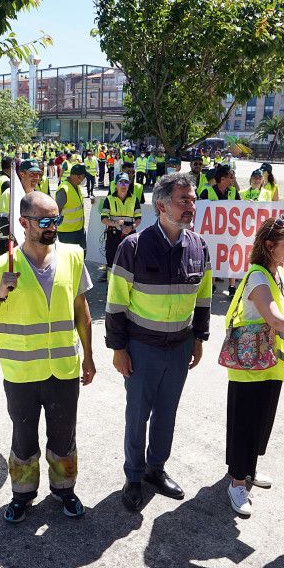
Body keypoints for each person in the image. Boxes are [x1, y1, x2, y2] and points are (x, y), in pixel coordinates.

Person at [0, 191, 96, 522]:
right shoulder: (4, 265)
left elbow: (81, 310)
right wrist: (1, 293)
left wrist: (89, 357)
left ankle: (64, 490)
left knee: (63, 436)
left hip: (64, 369)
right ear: (23, 223)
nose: (53, 226)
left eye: (56, 219)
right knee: (24, 439)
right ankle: (23, 495)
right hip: (22, 373)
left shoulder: (72, 256)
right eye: (45, 221)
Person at [106, 172, 213, 512]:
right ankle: (134, 476)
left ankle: (156, 469)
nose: (191, 207)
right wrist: (118, 349)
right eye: (184, 200)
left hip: (180, 347)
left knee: (167, 413)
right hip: (141, 349)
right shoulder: (133, 246)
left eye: (193, 200)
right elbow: (116, 303)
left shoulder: (199, 246)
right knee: (138, 415)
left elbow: (203, 298)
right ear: (161, 205)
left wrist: (198, 338)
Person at [222, 216, 284, 516]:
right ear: (269, 245)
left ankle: (248, 470)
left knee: (262, 420)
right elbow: (274, 319)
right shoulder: (258, 278)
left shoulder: (279, 275)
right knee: (244, 423)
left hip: (269, 362)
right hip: (249, 366)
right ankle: (236, 482)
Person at [99, 174, 142, 281]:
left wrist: (131, 228)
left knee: (129, 261)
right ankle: (110, 288)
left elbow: (138, 219)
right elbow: (103, 219)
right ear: (116, 185)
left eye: (126, 182)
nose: (123, 185)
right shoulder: (109, 199)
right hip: (113, 235)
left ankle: (126, 286)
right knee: (111, 262)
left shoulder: (134, 199)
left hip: (129, 235)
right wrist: (115, 223)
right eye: (121, 182)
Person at [54, 164, 88, 248]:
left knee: (81, 255)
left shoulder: (76, 186)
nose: (84, 179)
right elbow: (56, 211)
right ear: (78, 176)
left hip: (79, 230)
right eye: (84, 177)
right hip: (67, 233)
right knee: (70, 259)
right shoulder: (64, 189)